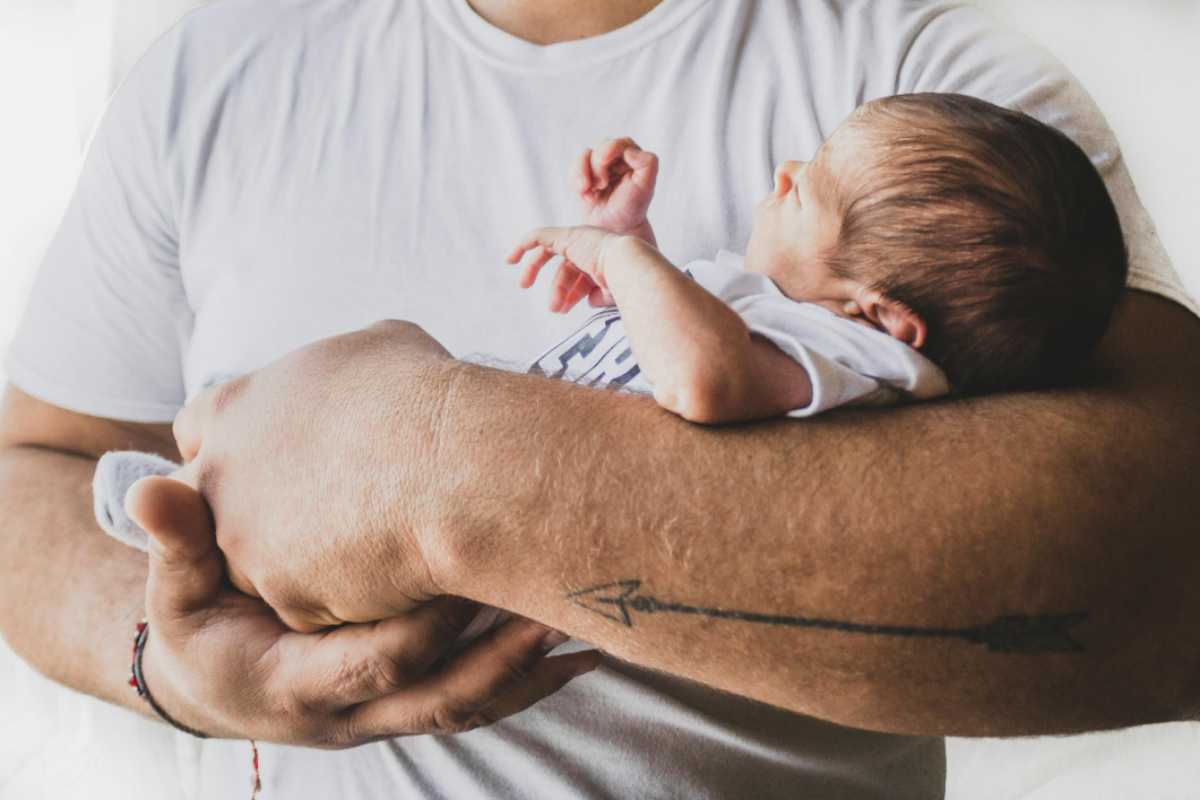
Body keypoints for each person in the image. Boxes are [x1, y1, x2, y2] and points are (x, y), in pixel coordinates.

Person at [1, 1, 1197, 798]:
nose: (785, 181)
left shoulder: (938, 109)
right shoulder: (213, 70)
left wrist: (430, 461)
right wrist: (173, 663)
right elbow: (29, 465)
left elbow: (1173, 552)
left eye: (806, 188)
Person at [507, 93, 1127, 423]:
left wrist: (615, 256)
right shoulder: (795, 320)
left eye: (805, 193)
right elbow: (665, 338)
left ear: (878, 315)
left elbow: (699, 378)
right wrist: (634, 237)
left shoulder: (858, 360)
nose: (785, 172)